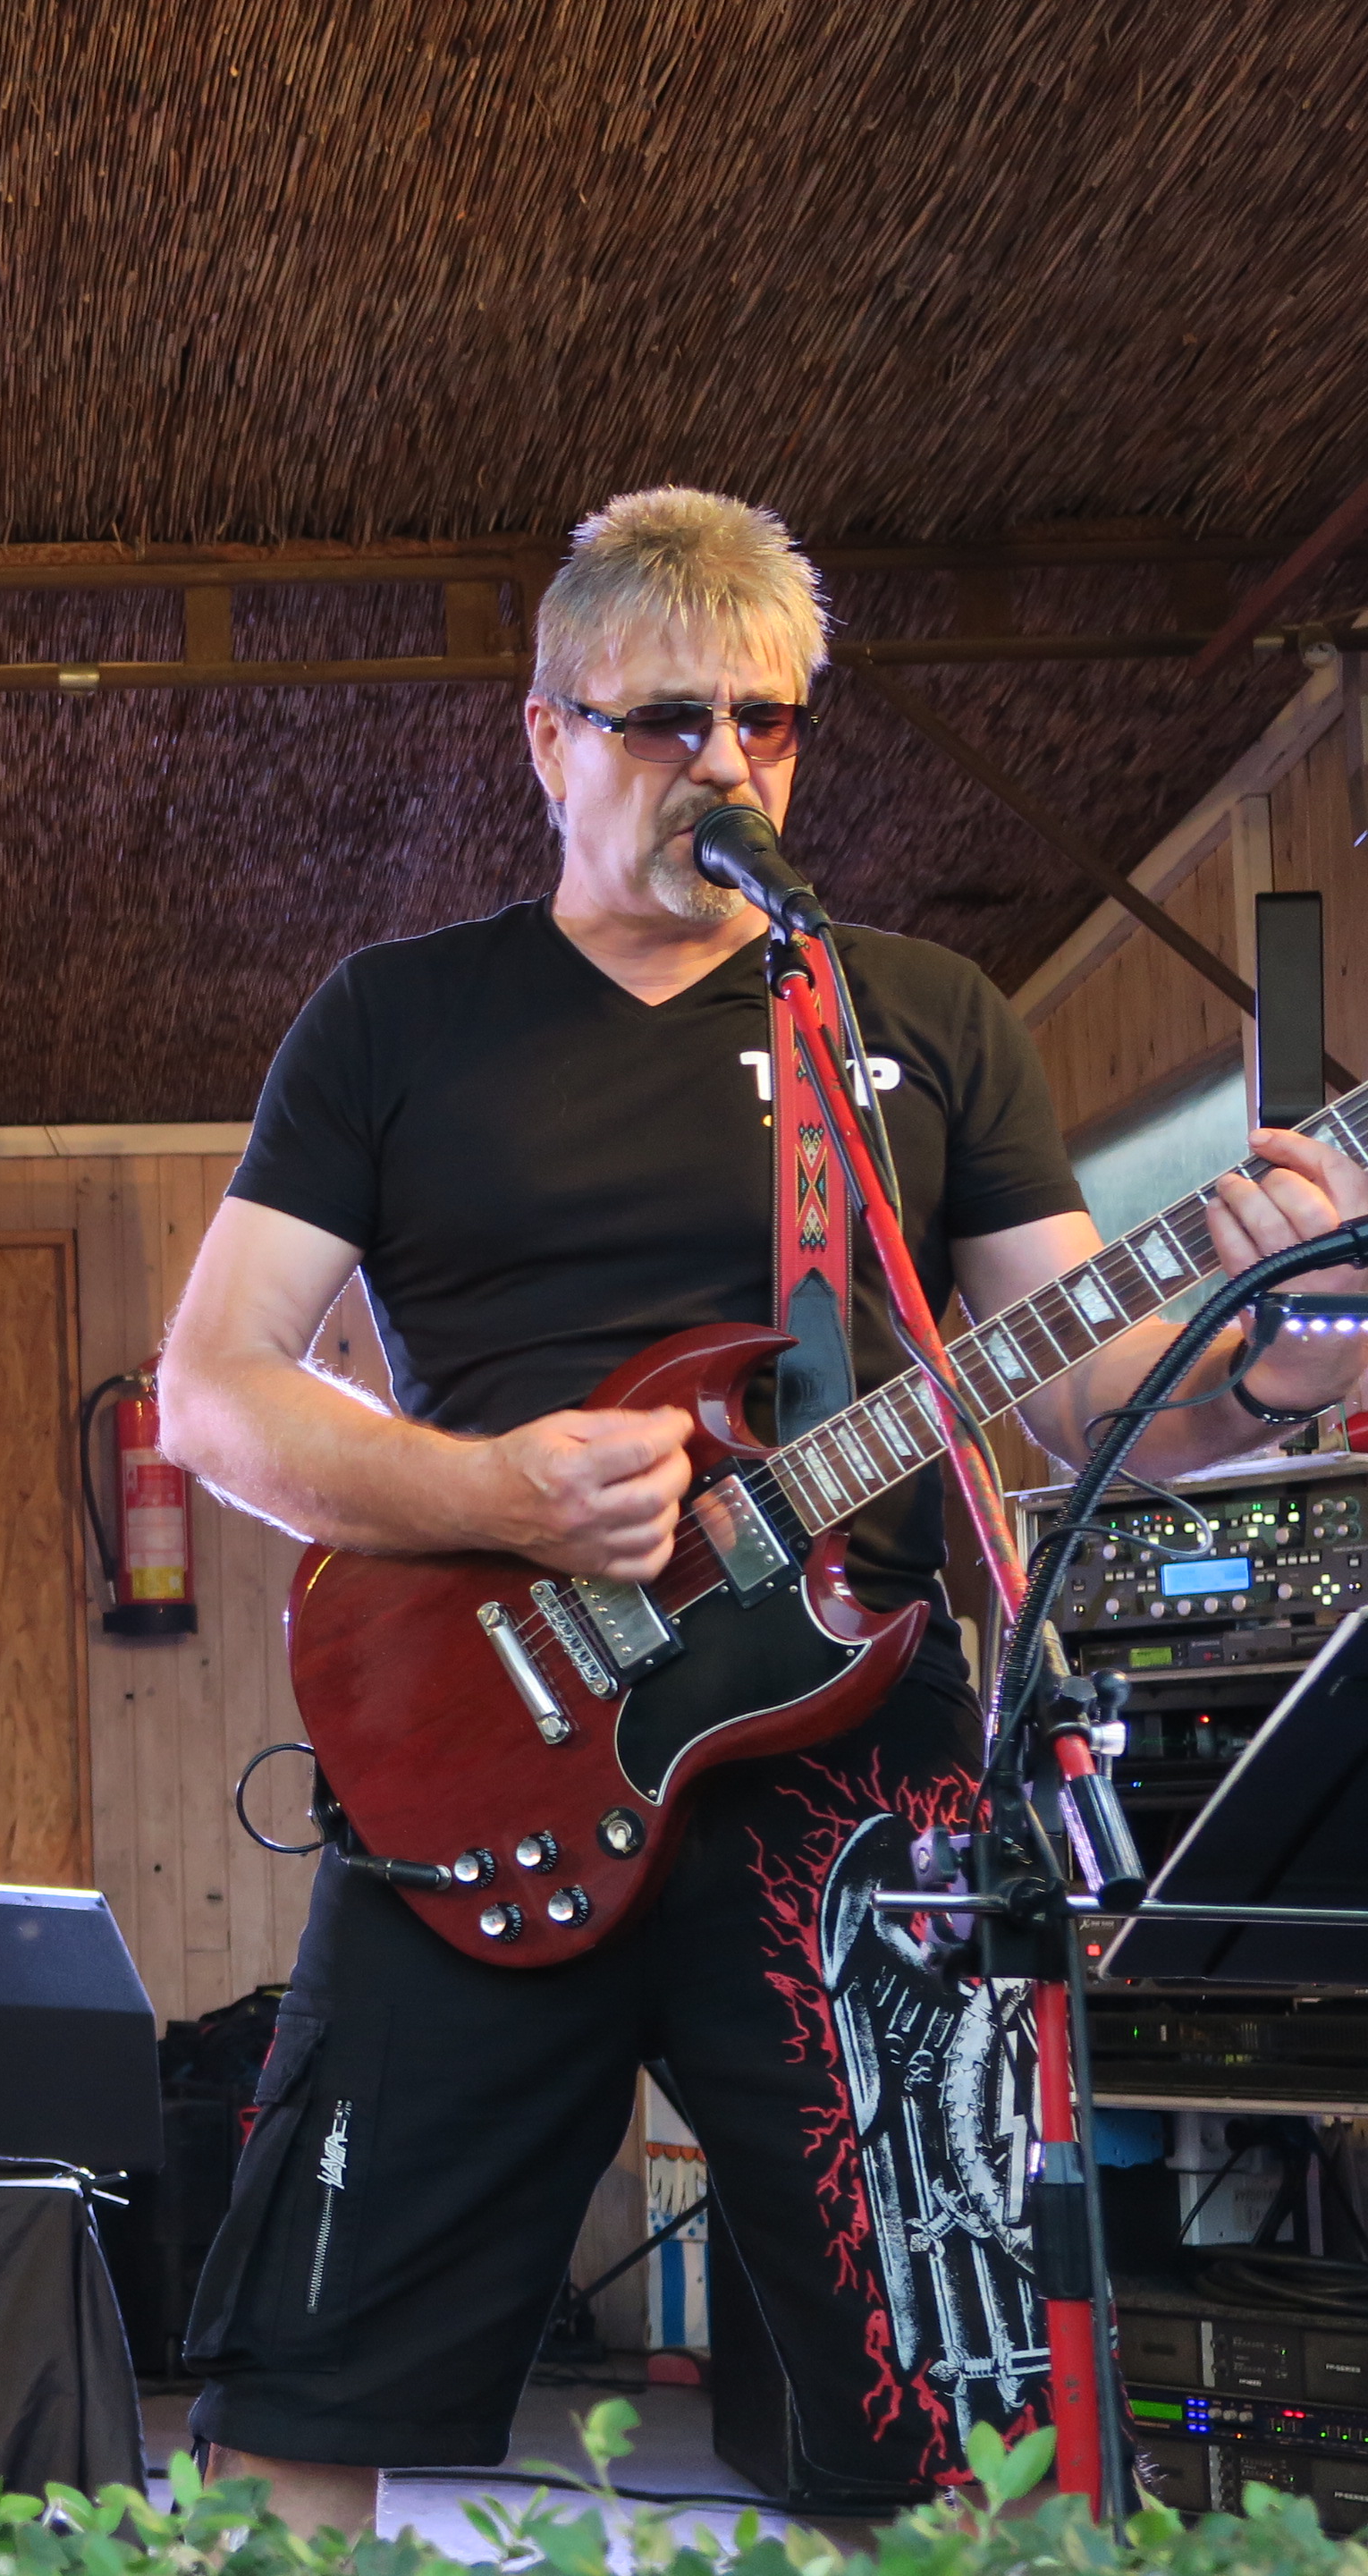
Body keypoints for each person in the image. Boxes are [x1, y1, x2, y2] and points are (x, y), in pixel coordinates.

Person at [157, 487, 1368, 2521]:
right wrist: (498, 1488)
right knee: (304, 2393)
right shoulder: (395, 1018)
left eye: (765, 720)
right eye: (662, 720)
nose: (720, 761)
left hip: (856, 1773)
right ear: (546, 735)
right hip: (490, 1738)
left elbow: (1080, 1397)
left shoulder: (912, 1013)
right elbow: (213, 1393)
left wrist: (1274, 1353)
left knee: (955, 2416)